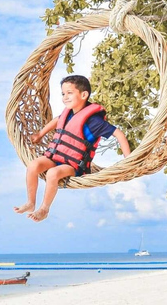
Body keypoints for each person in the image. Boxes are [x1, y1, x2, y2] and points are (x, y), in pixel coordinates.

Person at [14, 74, 131, 222]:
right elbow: (57, 121)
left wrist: (128, 159)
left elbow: (118, 134)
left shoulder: (94, 121)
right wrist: (40, 134)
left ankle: (44, 209)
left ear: (84, 95)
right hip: (55, 157)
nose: (65, 97)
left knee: (52, 173)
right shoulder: (68, 113)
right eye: (63, 94)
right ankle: (31, 202)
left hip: (74, 166)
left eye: (70, 93)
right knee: (33, 165)